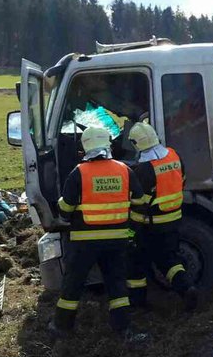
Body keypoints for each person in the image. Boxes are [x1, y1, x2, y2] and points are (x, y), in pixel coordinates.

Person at [50, 126, 147, 342]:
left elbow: (66, 209)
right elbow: (140, 202)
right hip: (117, 240)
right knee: (117, 284)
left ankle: (61, 326)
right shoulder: (124, 170)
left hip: (84, 241)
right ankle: (123, 329)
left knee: (73, 284)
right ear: (108, 144)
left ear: (85, 147)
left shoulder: (79, 173)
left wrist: (61, 206)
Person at [125, 122, 199, 311]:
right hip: (174, 218)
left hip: (150, 224)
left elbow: (139, 202)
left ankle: (139, 304)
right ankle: (186, 288)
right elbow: (182, 180)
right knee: (169, 259)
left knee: (136, 262)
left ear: (136, 144)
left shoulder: (143, 169)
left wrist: (130, 225)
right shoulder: (174, 155)